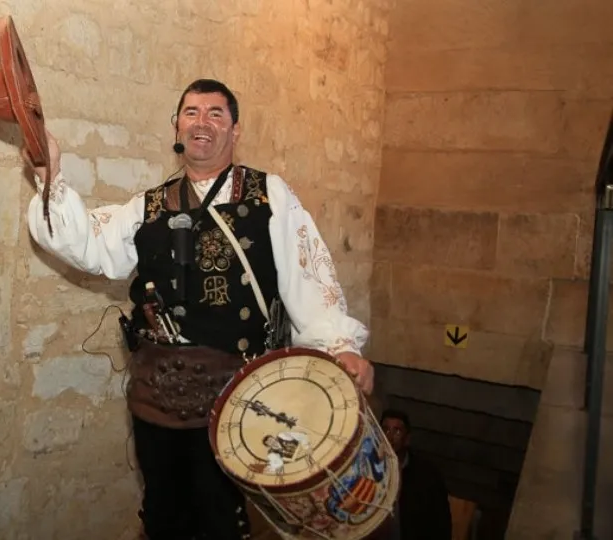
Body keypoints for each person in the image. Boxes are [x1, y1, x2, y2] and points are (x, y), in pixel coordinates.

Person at [23, 78, 375, 540]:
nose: (201, 122)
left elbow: (307, 274)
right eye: (191, 112)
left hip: (239, 400)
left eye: (215, 114)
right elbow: (87, 243)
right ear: (177, 126)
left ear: (235, 130)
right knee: (164, 516)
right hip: (157, 398)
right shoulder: (148, 206)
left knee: (221, 520)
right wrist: (50, 171)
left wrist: (339, 344)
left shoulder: (268, 195)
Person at [380, 409, 452, 540]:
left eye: (397, 431)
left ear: (407, 439)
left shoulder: (428, 475)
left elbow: (441, 523)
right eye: (385, 430)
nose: (389, 437)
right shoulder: (369, 470)